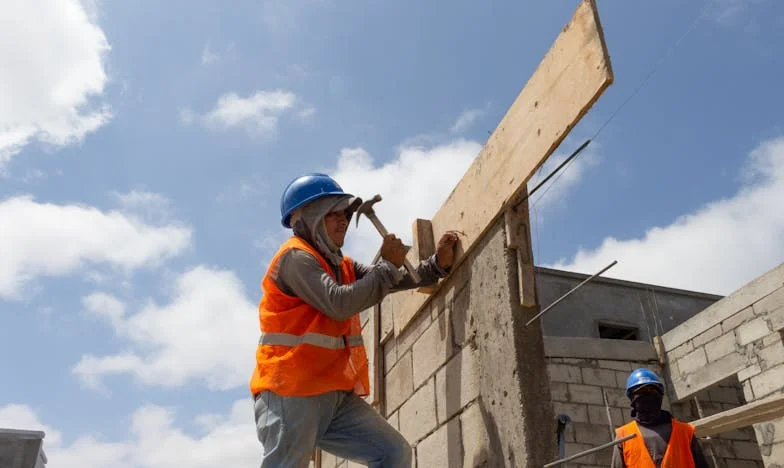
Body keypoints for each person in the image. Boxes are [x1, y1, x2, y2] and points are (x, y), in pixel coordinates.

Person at [249, 173, 459, 468]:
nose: (343, 220)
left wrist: (437, 265)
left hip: (334, 396)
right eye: (332, 213)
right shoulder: (296, 258)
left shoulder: (341, 265)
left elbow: (390, 279)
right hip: (292, 391)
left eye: (345, 213)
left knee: (393, 453)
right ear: (306, 219)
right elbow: (339, 303)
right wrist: (386, 265)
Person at [611, 368, 710, 468]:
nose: (648, 396)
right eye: (642, 392)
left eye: (652, 391)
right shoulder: (624, 436)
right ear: (632, 398)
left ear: (660, 395)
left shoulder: (685, 432)